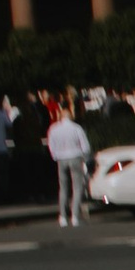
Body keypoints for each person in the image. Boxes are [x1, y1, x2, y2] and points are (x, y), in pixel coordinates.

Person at [46, 92, 90, 229]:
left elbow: (51, 145)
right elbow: (85, 146)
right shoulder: (77, 128)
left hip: (61, 158)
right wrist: (85, 157)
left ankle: (63, 217)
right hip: (75, 156)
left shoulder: (54, 129)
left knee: (63, 188)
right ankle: (75, 216)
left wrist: (55, 156)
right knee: (77, 187)